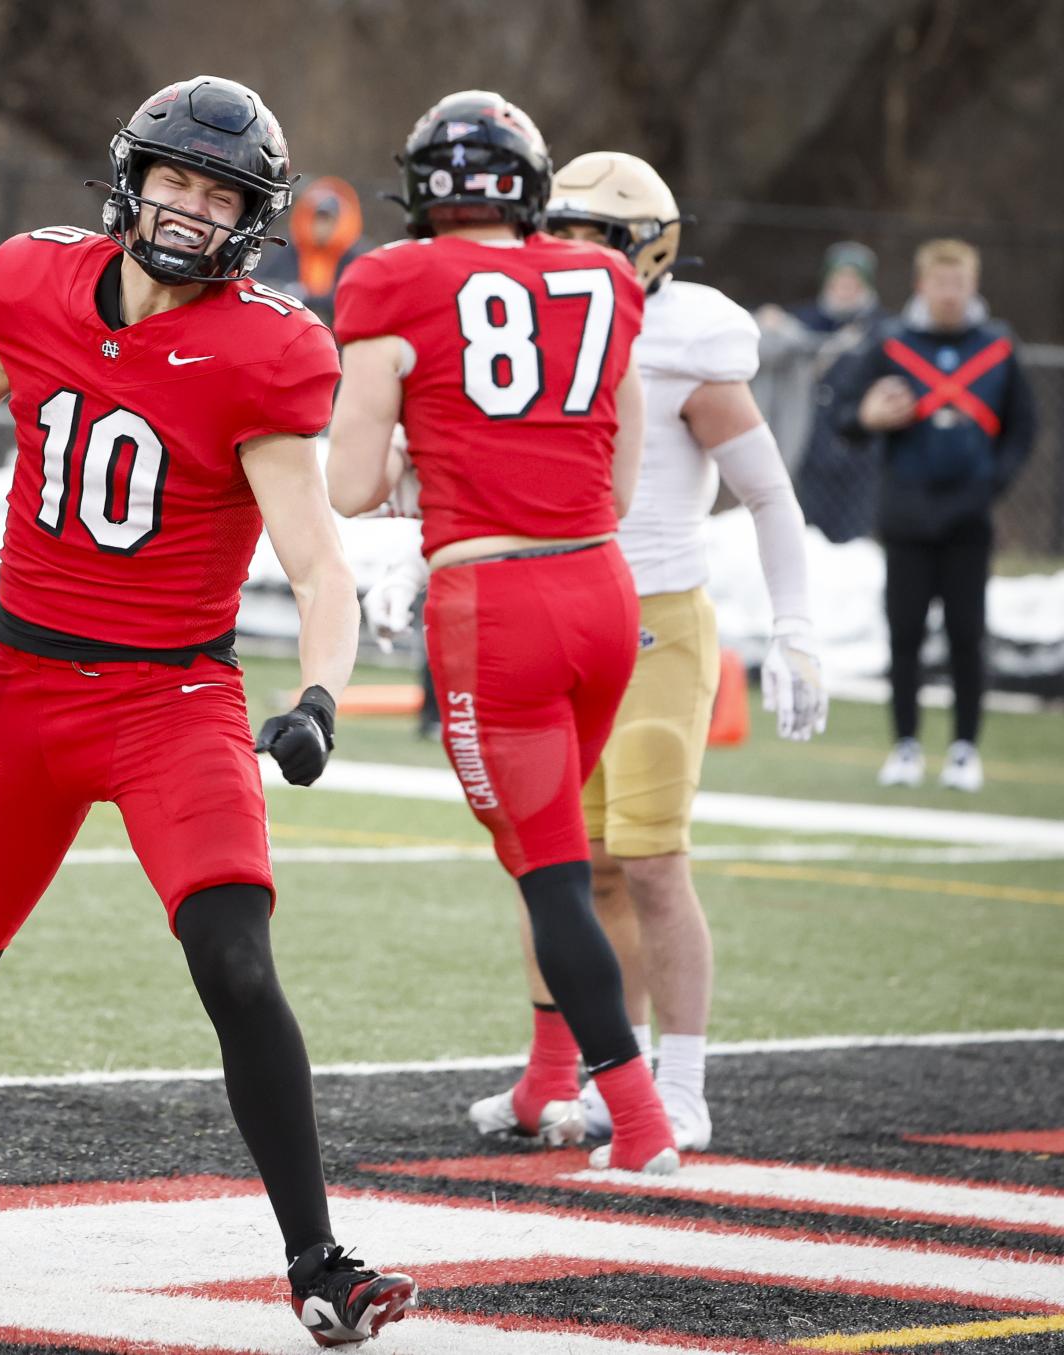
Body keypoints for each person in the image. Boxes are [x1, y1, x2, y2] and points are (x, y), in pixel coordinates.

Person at [0, 76, 416, 1347]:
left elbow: (318, 559)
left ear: (254, 217)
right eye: (176, 180)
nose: (190, 209)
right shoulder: (33, 283)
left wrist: (320, 697)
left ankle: (320, 1257)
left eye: (220, 193)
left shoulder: (267, 346)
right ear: (131, 180)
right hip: (24, 683)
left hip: (173, 693)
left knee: (235, 958)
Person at [399, 151, 818, 1154]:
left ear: (653, 249)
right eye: (569, 231)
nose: (582, 254)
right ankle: (575, 1073)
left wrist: (796, 622)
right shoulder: (519, 309)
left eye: (604, 237)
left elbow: (766, 490)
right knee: (565, 865)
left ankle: (681, 1084)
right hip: (547, 610)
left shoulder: (683, 334)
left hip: (653, 618)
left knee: (652, 862)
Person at [328, 92, 678, 1176]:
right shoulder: (607, 280)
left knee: (550, 874)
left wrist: (421, 464)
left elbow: (347, 485)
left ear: (423, 189)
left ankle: (638, 1114)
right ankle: (543, 1077)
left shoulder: (390, 278)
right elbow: (619, 486)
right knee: (559, 847)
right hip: (603, 592)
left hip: (496, 607)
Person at [839, 239, 1035, 792]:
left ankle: (964, 749)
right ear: (922, 286)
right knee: (903, 632)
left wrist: (993, 481)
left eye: (960, 284)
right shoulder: (891, 344)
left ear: (973, 286)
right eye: (940, 284)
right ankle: (904, 745)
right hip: (906, 513)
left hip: (969, 517)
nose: (950, 295)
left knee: (967, 634)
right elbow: (845, 416)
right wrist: (869, 417)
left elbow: (1024, 427)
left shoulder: (997, 347)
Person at [757, 243, 890, 542]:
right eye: (839, 280)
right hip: (810, 442)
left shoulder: (881, 329)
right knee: (808, 532)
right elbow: (769, 341)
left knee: (857, 536)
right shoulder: (806, 320)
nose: (845, 288)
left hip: (862, 448)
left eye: (853, 281)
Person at [251, 175, 371, 325]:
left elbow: (359, 297)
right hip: (290, 326)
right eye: (318, 218)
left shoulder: (354, 255)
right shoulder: (287, 247)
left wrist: (307, 297)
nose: (322, 227)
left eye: (328, 220)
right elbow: (259, 281)